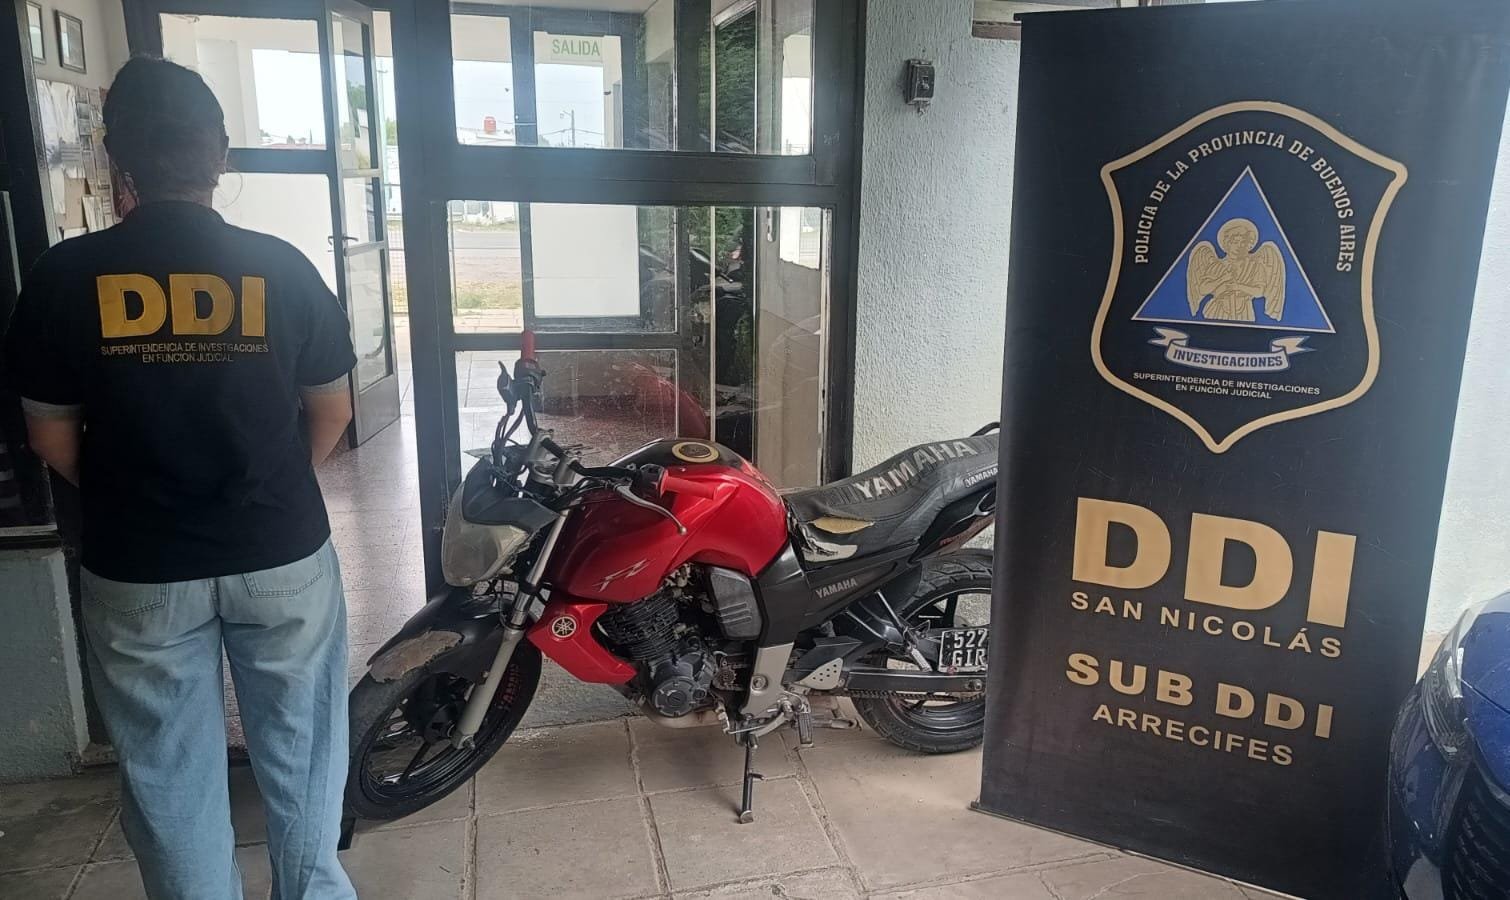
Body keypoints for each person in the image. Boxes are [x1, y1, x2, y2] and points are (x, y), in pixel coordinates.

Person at [4, 57, 358, 899]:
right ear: (220, 155)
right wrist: (276, 481)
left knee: (168, 774)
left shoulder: (62, 277)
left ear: (116, 157)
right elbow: (333, 410)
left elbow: (50, 435)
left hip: (138, 562)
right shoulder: (281, 267)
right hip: (280, 549)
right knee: (305, 752)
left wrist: (127, 492)